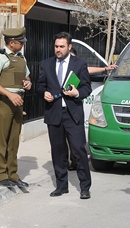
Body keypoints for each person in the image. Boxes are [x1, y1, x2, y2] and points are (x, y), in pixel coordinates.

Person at [37, 31, 93, 199]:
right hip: (54, 114)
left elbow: (86, 88)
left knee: (78, 151)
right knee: (58, 151)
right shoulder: (46, 64)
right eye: (56, 46)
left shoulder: (79, 64)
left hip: (73, 114)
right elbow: (39, 85)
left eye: (62, 46)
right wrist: (44, 93)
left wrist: (76, 93)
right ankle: (61, 186)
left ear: (69, 47)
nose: (58, 49)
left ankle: (84, 187)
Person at [0, 27, 32, 188]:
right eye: (21, 42)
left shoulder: (21, 58)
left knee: (13, 141)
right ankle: (0, 175)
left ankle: (12, 174)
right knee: (1, 140)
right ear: (12, 43)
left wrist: (28, 82)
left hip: (18, 102)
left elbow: (26, 76)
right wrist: (9, 94)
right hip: (4, 102)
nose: (23, 44)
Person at [67, 47, 117, 171]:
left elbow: (88, 70)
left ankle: (75, 161)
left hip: (75, 105)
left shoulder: (78, 68)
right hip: (61, 108)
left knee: (75, 139)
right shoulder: (58, 69)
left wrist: (105, 68)